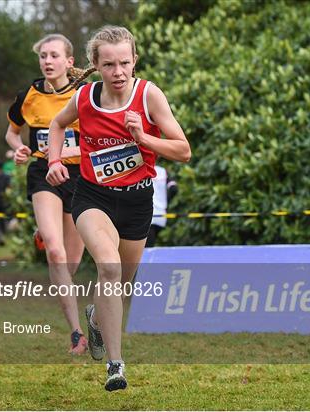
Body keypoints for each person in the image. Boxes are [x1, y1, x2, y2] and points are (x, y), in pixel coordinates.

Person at [46, 25, 191, 391]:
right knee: (108, 268)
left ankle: (95, 319)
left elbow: (183, 150)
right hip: (93, 197)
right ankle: (116, 365)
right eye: (109, 64)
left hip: (138, 200)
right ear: (96, 64)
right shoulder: (84, 99)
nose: (118, 72)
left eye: (125, 63)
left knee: (121, 283)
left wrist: (144, 138)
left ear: (135, 61)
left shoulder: (148, 95)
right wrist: (53, 161)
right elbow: (57, 123)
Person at [5, 34, 87, 355]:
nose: (47, 61)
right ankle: (77, 333)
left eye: (54, 56)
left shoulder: (84, 94)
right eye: (43, 56)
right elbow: (11, 132)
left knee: (72, 262)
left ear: (69, 61)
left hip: (79, 176)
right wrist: (20, 147)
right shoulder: (29, 94)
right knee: (55, 253)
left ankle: (47, 231)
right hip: (43, 173)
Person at [145, 163, 178, 248]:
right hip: (161, 215)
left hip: (145, 215)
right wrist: (165, 203)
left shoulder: (141, 169)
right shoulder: (164, 171)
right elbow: (174, 189)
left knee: (145, 251)